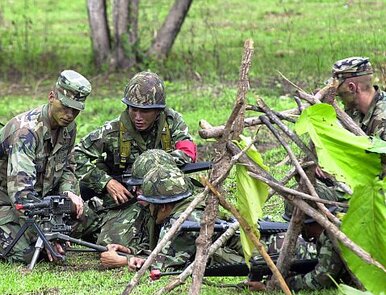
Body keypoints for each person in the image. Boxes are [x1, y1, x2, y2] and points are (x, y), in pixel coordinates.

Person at [0, 70, 92, 263]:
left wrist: (69, 194)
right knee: (29, 253)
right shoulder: (26, 132)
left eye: (75, 110)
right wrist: (45, 235)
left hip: (40, 203)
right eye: (65, 106)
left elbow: (67, 167)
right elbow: (21, 197)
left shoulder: (69, 128)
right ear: (52, 97)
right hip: (8, 203)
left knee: (90, 217)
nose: (69, 115)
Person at [74, 71, 197, 213]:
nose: (138, 117)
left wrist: (153, 168)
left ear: (158, 111)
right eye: (133, 109)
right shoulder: (113, 130)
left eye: (145, 111)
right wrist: (106, 182)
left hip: (164, 195)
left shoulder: (171, 122)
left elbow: (188, 153)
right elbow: (77, 155)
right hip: (123, 198)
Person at [100, 164, 245, 271]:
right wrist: (131, 251)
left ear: (162, 206)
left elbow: (162, 264)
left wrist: (123, 261)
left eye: (151, 204)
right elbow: (163, 249)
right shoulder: (189, 205)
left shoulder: (181, 221)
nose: (149, 210)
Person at [332, 56, 386, 139]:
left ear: (351, 88)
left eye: (338, 88)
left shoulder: (383, 119)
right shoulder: (355, 109)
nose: (336, 93)